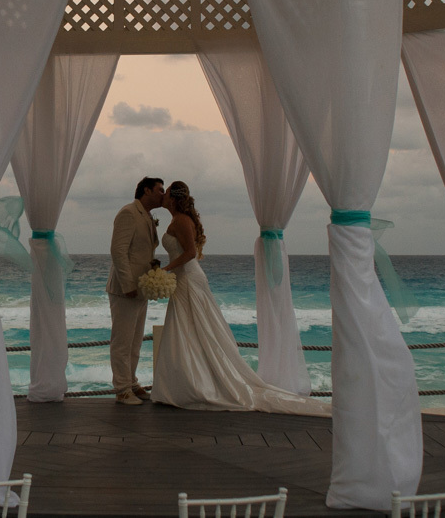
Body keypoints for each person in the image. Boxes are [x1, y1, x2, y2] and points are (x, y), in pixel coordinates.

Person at [151, 181, 331, 417]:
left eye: (166, 193)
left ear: (173, 199)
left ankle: (197, 384)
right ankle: (188, 381)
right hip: (183, 278)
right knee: (187, 329)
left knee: (195, 328)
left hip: (188, 278)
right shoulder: (176, 220)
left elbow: (190, 253)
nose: (163, 196)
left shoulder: (181, 220)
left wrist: (165, 270)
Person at [106, 176, 165, 406]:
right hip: (125, 289)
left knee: (135, 341)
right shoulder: (128, 213)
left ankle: (131, 382)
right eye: (160, 190)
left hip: (141, 289)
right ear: (147, 190)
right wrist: (128, 284)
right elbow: (118, 251)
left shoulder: (147, 216)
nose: (163, 194)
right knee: (122, 341)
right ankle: (121, 389)